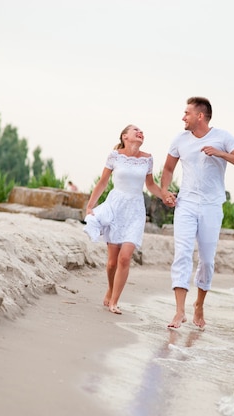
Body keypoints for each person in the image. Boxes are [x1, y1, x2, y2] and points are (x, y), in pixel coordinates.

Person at [160, 97, 234, 329]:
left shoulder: (222, 137)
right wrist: (164, 191)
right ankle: (179, 311)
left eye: (187, 113)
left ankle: (199, 305)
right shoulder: (180, 139)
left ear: (200, 116)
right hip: (186, 204)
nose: (183, 117)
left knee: (207, 261)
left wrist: (221, 154)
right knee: (182, 254)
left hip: (212, 206)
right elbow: (169, 168)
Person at [84, 124, 168, 315]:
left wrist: (165, 196)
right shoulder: (114, 156)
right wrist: (90, 206)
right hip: (116, 207)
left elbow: (150, 185)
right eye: (135, 130)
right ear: (125, 136)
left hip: (135, 210)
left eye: (142, 131)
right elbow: (103, 182)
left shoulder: (147, 159)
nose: (141, 132)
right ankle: (110, 288)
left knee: (125, 257)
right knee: (112, 262)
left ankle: (114, 301)